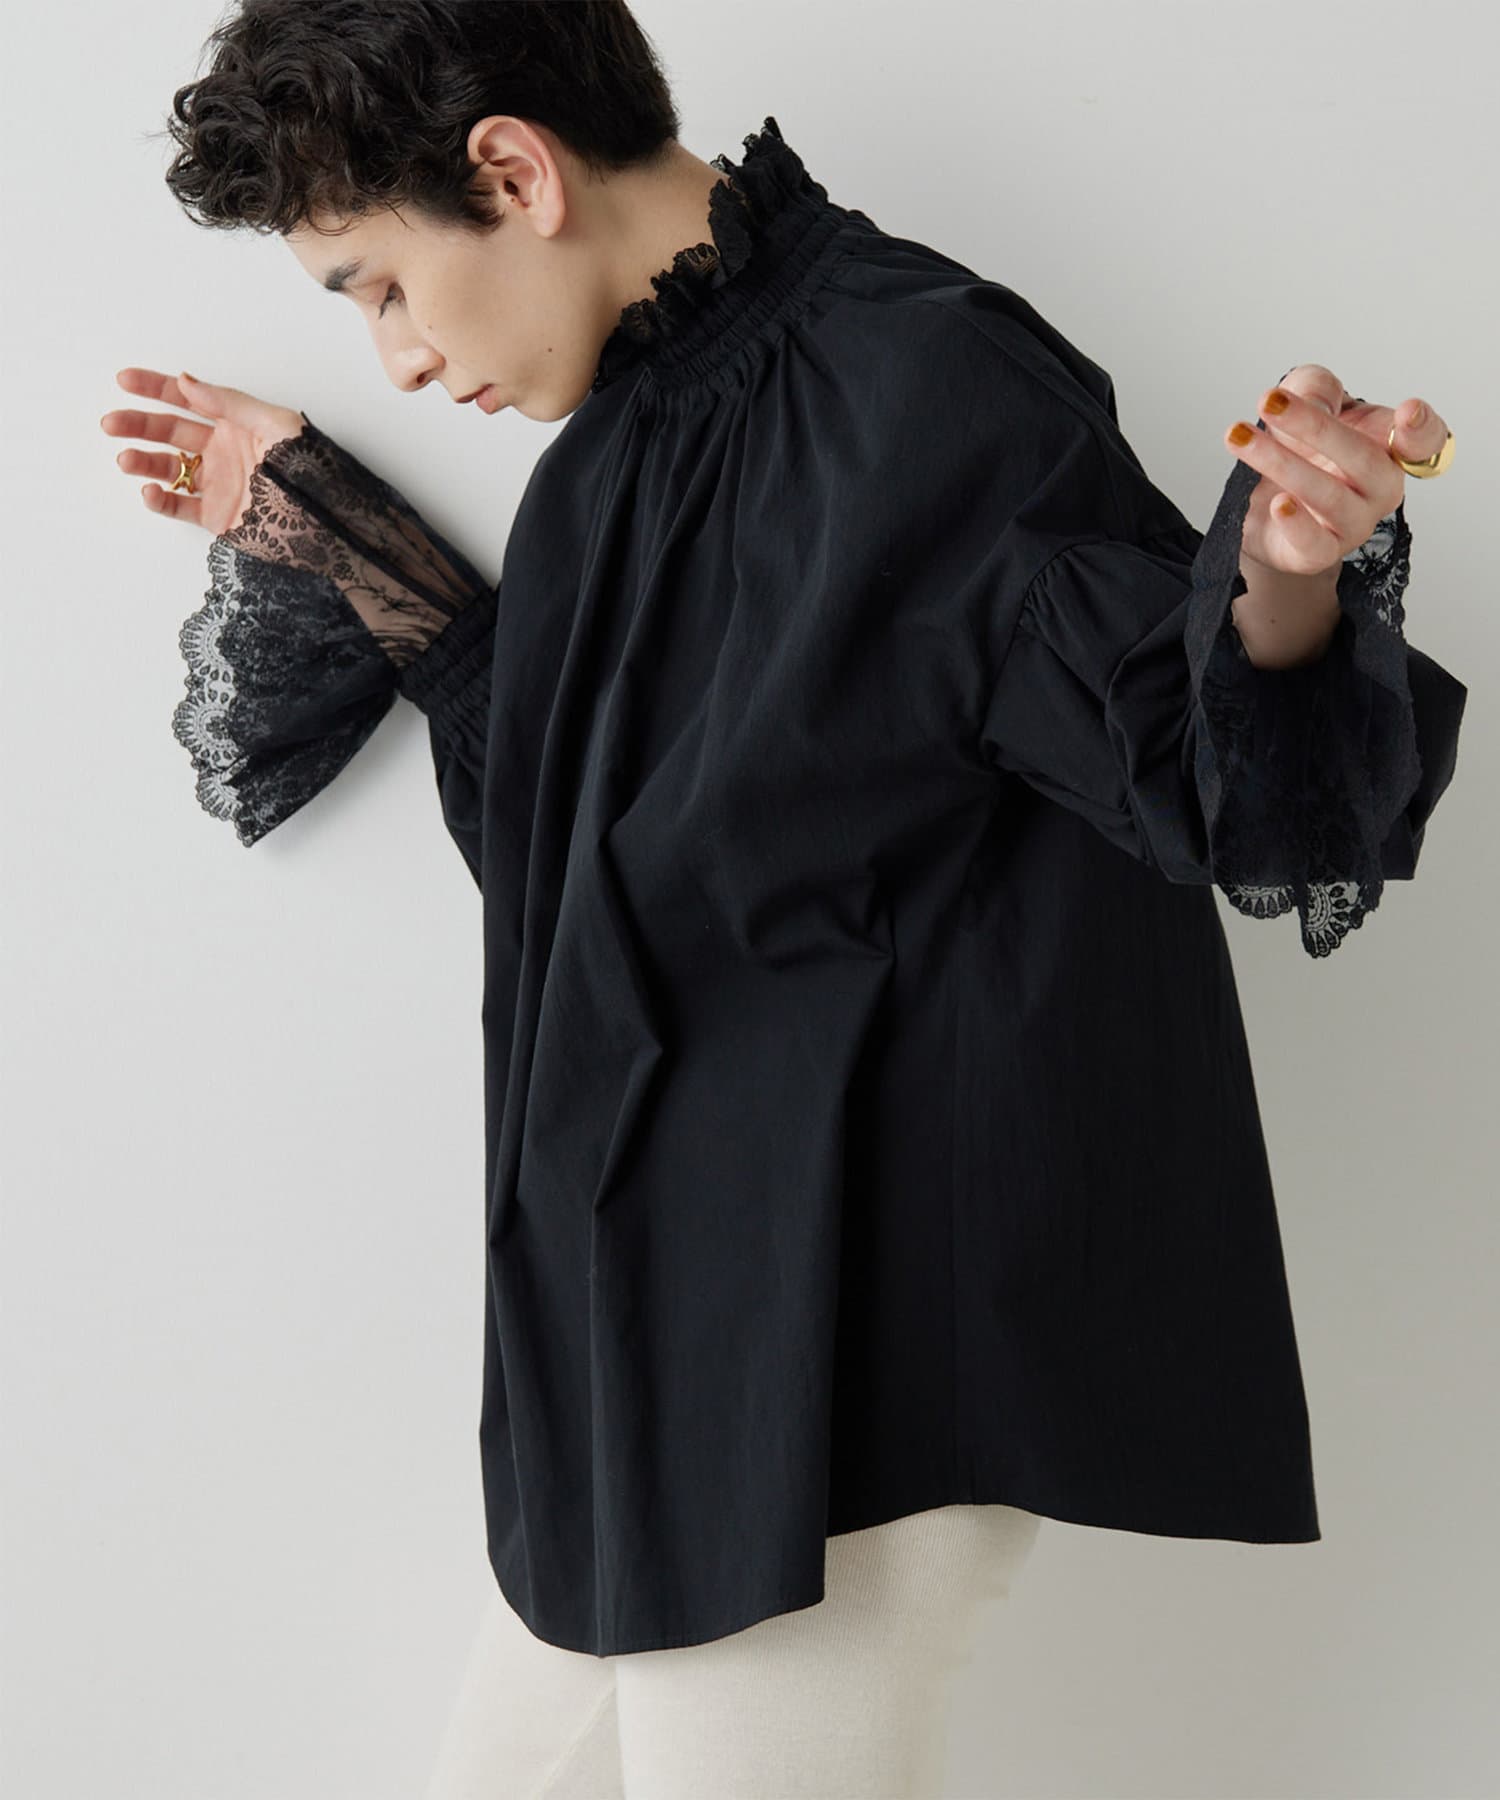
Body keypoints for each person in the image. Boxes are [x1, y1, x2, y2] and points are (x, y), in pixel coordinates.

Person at [100, 2, 1465, 1793]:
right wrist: (350, 538)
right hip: (658, 1328)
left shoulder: (927, 373)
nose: (404, 360)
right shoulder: (619, 449)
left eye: (382, 289)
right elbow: (588, 855)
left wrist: (1282, 576)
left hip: (842, 1342)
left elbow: (1187, 762)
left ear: (513, 171)